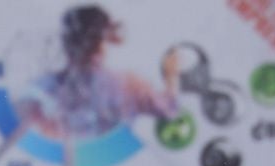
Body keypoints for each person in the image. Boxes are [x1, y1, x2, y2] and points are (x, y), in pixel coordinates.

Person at [17, 4, 180, 140]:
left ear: (66, 43)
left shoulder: (40, 88)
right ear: (106, 40)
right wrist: (171, 76)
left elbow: (25, 127)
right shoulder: (130, 85)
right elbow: (169, 110)